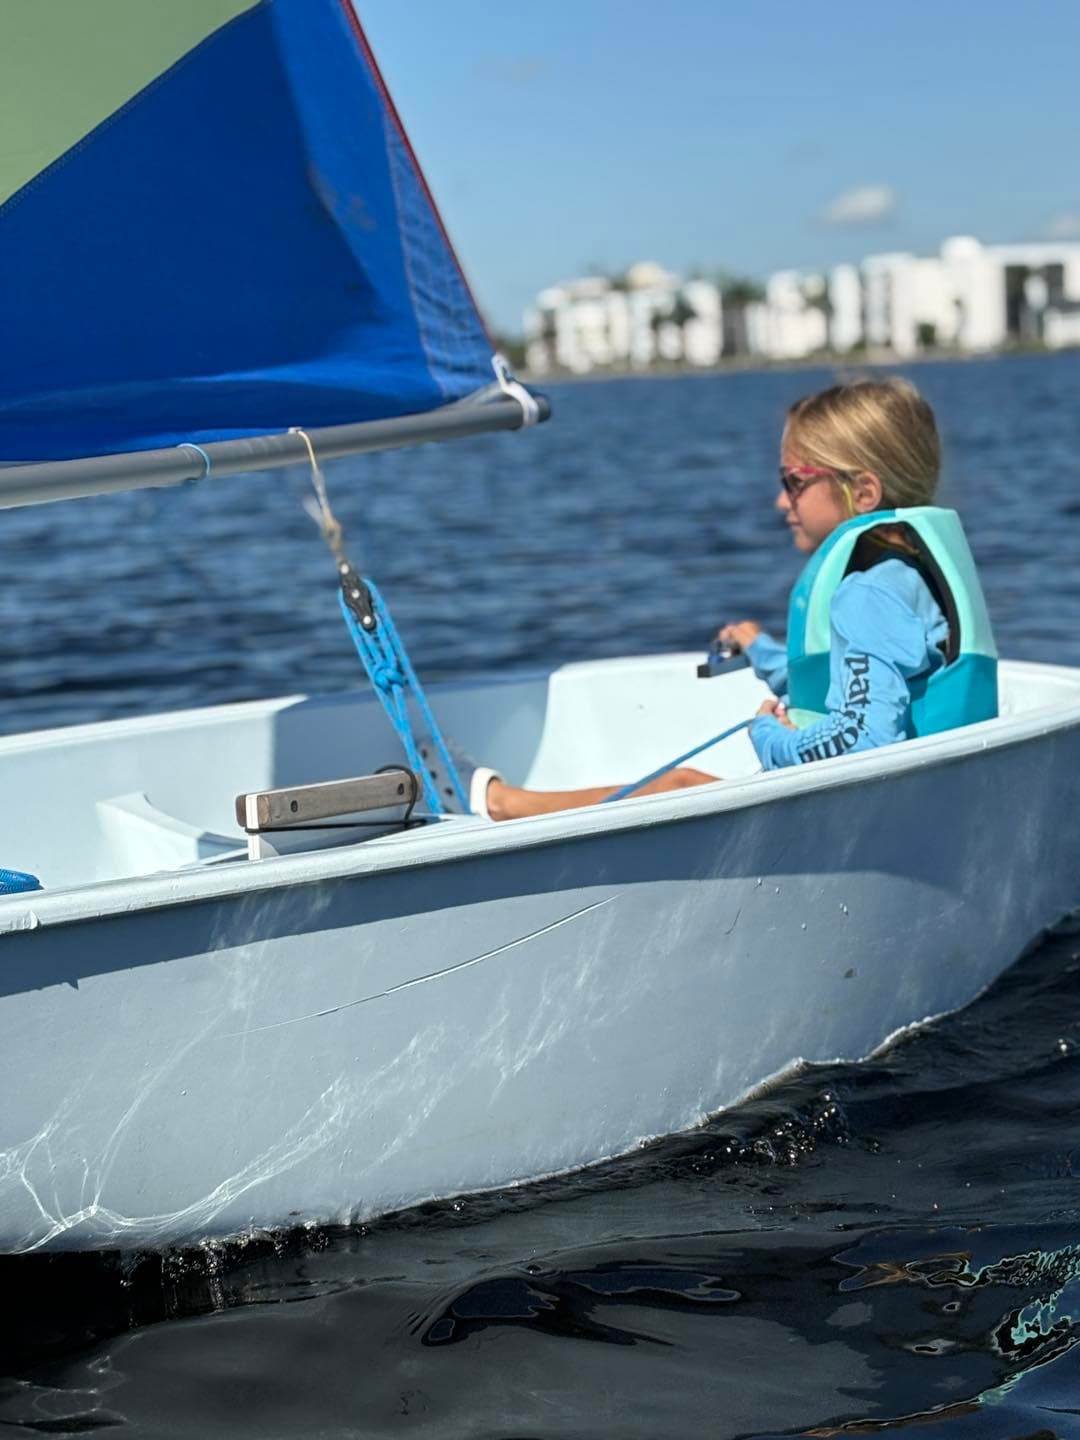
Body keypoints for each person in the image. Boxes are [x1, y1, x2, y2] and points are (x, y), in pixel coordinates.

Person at [433, 377, 997, 821]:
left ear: (863, 492)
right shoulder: (897, 576)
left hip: (861, 816)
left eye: (794, 481)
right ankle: (503, 803)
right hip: (901, 808)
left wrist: (768, 737)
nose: (781, 502)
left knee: (677, 785)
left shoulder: (868, 592)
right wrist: (761, 650)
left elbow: (864, 741)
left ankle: (503, 807)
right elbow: (850, 678)